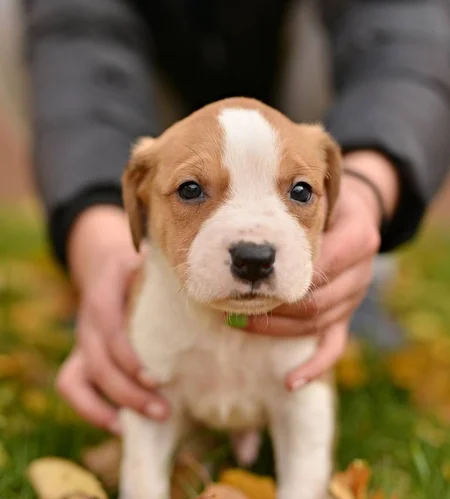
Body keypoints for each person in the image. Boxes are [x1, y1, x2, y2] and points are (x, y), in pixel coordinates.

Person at [23, 0, 450, 435]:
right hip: (153, 79)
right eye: (192, 190)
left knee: (357, 81)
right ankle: (131, 293)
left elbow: (403, 32)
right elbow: (75, 36)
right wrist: (98, 242)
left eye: (302, 192)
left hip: (312, 70)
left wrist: (368, 187)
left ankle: (352, 282)